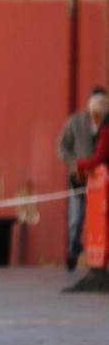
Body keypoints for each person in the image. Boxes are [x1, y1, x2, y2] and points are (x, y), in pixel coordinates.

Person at [59, 87, 109, 271]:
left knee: (101, 218)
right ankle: (73, 250)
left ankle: (99, 256)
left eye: (104, 103)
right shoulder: (75, 122)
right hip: (79, 178)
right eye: (98, 103)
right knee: (76, 217)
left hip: (102, 180)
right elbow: (62, 147)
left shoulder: (107, 124)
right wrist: (76, 165)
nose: (101, 107)